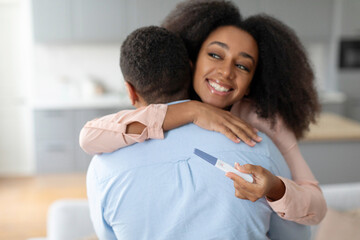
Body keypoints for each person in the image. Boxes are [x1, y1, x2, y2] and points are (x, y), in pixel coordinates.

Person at [81, 0, 326, 226]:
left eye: (242, 65)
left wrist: (275, 188)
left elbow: (317, 205)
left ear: (252, 82)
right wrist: (192, 111)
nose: (226, 72)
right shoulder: (171, 100)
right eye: (215, 55)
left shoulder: (263, 118)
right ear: (194, 60)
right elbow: (91, 136)